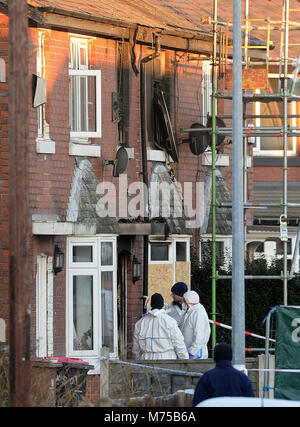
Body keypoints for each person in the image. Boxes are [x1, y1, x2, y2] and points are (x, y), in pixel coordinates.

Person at [132, 293, 189, 360]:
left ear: (151, 305)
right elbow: (178, 343)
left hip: (146, 360)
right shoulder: (170, 321)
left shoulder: (140, 323)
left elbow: (136, 348)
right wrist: (185, 359)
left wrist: (138, 359)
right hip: (167, 359)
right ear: (162, 304)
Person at [181, 290, 211, 359]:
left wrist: (192, 352)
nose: (183, 303)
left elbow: (199, 335)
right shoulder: (191, 311)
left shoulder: (198, 313)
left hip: (197, 353)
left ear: (189, 302)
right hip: (190, 350)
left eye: (184, 301)